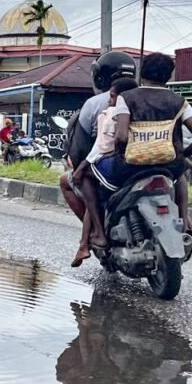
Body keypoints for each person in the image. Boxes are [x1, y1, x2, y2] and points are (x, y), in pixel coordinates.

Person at [112, 53, 192, 260]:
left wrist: (118, 153)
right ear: (169, 76)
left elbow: (121, 136)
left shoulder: (126, 97)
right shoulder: (179, 101)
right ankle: (190, 231)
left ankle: (101, 235)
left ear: (142, 73)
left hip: (132, 167)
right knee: (180, 179)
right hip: (169, 166)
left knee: (104, 186)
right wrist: (182, 155)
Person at [59, 51, 137, 249]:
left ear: (100, 76)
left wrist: (80, 167)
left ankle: (97, 232)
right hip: (153, 162)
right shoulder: (147, 97)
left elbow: (82, 150)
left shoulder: (96, 105)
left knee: (71, 181)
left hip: (113, 167)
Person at [69, 77, 138, 267]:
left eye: (112, 96)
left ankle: (92, 238)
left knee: (87, 186)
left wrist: (81, 167)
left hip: (118, 165)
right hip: (151, 164)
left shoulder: (110, 113)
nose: (109, 100)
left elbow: (102, 146)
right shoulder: (147, 109)